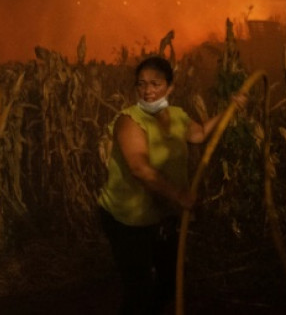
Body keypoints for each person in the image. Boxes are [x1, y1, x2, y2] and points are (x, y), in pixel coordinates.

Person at [97, 55, 246, 314]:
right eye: (141, 84)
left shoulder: (177, 116)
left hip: (163, 215)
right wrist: (179, 195)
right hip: (126, 219)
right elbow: (139, 168)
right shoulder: (129, 120)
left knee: (169, 282)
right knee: (138, 291)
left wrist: (230, 110)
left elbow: (198, 134)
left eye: (155, 83)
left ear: (170, 87)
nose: (148, 90)